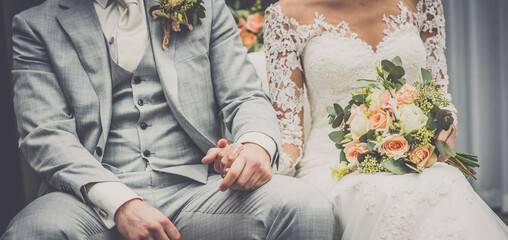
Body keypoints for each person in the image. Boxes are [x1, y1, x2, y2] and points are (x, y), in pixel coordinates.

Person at [1, 0, 335, 239]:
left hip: (199, 191)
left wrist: (255, 146)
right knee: (33, 231)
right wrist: (121, 204)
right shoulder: (36, 26)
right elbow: (45, 134)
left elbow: (244, 95)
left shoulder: (204, 6)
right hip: (87, 203)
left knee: (305, 205)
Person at [263, 0, 508, 239]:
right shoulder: (284, 15)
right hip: (334, 163)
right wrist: (259, 158)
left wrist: (445, 123)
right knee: (383, 194)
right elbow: (289, 135)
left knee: (444, 183)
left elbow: (438, 95)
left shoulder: (424, 4)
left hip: (412, 157)